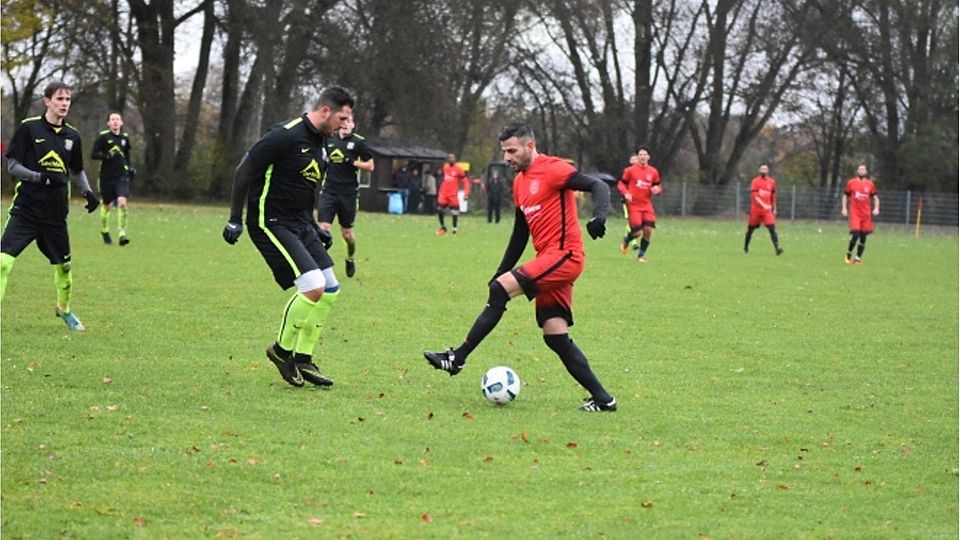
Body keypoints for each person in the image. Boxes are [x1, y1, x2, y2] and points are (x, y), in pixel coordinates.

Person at [423, 121, 617, 412]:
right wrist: (501, 272)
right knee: (555, 336)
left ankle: (457, 358)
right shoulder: (519, 183)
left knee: (499, 293)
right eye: (504, 151)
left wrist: (599, 216)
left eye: (511, 150)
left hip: (565, 255)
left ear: (529, 146)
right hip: (548, 261)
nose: (507, 158)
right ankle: (604, 399)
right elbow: (519, 234)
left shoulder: (553, 169)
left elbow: (598, 185)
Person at [222, 85, 355, 387]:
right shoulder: (285, 134)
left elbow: (307, 187)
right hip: (270, 221)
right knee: (312, 285)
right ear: (325, 111)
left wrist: (316, 226)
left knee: (331, 288)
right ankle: (282, 352)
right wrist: (234, 219)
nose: (344, 125)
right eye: (342, 118)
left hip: (300, 224)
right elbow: (244, 171)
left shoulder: (322, 143)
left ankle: (303, 357)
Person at [0, 81, 101, 331]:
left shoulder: (73, 136)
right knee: (3, 261)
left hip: (55, 216)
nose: (64, 103)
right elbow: (12, 166)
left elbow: (76, 170)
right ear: (47, 101)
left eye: (67, 99)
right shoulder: (29, 128)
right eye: (59, 99)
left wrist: (87, 191)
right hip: (26, 211)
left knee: (64, 267)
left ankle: (64, 310)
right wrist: (38, 177)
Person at [316, 113, 374, 278]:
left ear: (353, 125)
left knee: (347, 234)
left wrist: (352, 162)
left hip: (348, 194)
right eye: (343, 121)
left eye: (349, 121)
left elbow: (370, 166)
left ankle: (350, 258)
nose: (345, 124)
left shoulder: (358, 142)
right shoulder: (329, 140)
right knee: (323, 229)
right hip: (329, 191)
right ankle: (320, 266)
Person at [90, 111, 135, 246]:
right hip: (106, 177)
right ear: (108, 123)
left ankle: (122, 234)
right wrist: (106, 156)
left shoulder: (125, 138)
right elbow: (93, 154)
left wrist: (129, 168)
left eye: (117, 119)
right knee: (107, 205)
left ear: (121, 123)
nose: (115, 122)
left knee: (122, 202)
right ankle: (104, 230)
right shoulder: (103, 137)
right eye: (112, 119)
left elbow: (127, 156)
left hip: (121, 176)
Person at [617, 146, 662, 262]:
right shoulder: (630, 171)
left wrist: (657, 190)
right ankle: (627, 239)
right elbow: (621, 184)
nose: (643, 156)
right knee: (637, 233)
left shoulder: (653, 172)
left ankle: (641, 255)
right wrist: (626, 193)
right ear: (637, 157)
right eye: (640, 154)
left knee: (648, 230)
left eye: (645, 154)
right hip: (633, 205)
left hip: (646, 204)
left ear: (648, 157)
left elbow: (657, 185)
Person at [841, 164, 880, 265]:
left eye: (864, 169)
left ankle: (858, 258)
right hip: (855, 213)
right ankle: (849, 253)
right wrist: (844, 208)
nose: (862, 171)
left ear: (866, 172)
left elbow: (875, 198)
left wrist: (876, 208)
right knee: (855, 234)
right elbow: (845, 196)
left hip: (866, 214)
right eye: (860, 169)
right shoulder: (851, 183)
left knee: (863, 237)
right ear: (857, 171)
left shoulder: (870, 184)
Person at [743, 163, 784, 255]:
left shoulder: (772, 182)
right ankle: (745, 247)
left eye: (765, 169)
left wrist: (774, 208)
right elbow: (755, 196)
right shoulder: (755, 181)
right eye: (762, 169)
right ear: (759, 170)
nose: (763, 171)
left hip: (767, 211)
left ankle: (777, 249)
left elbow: (773, 196)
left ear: (768, 171)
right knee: (750, 229)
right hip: (756, 211)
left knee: (772, 228)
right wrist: (763, 205)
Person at [436, 153, 470, 235]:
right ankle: (443, 227)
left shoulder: (458, 169)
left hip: (453, 194)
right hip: (444, 194)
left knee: (454, 212)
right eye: (449, 158)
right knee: (440, 210)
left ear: (455, 159)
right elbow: (445, 180)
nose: (451, 159)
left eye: (452, 158)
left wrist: (466, 193)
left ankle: (454, 230)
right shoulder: (445, 167)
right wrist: (441, 191)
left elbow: (465, 182)